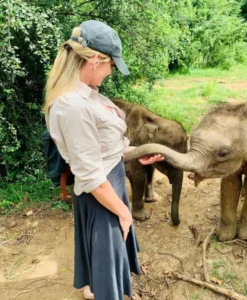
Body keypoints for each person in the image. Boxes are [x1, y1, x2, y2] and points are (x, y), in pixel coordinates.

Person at [43, 20, 163, 300]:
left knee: (104, 257)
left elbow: (103, 148)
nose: (112, 72)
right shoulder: (72, 106)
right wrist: (123, 212)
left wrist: (135, 156)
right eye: (112, 65)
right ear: (96, 59)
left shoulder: (89, 95)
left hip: (110, 182)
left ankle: (93, 287)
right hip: (101, 192)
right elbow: (90, 174)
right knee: (108, 260)